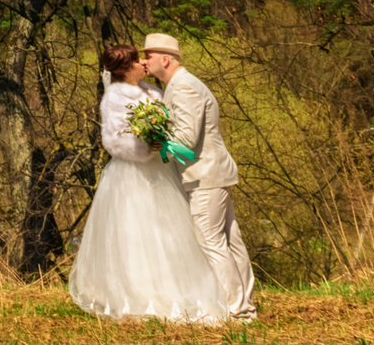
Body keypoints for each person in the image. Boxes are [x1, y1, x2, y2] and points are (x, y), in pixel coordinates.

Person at [66, 41, 229, 324]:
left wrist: (161, 140)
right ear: (125, 69)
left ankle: (177, 290)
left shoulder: (154, 92)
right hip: (131, 175)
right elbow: (114, 140)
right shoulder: (114, 98)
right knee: (137, 231)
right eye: (135, 61)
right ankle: (141, 295)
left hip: (161, 172)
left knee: (169, 230)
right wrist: (144, 146)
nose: (142, 63)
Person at [141, 31, 258, 324]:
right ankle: (245, 308)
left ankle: (237, 311)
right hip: (212, 173)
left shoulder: (184, 88)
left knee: (211, 241)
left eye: (148, 56)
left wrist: (156, 143)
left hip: (205, 175)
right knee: (230, 242)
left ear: (164, 59)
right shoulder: (180, 85)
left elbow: (186, 140)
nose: (144, 61)